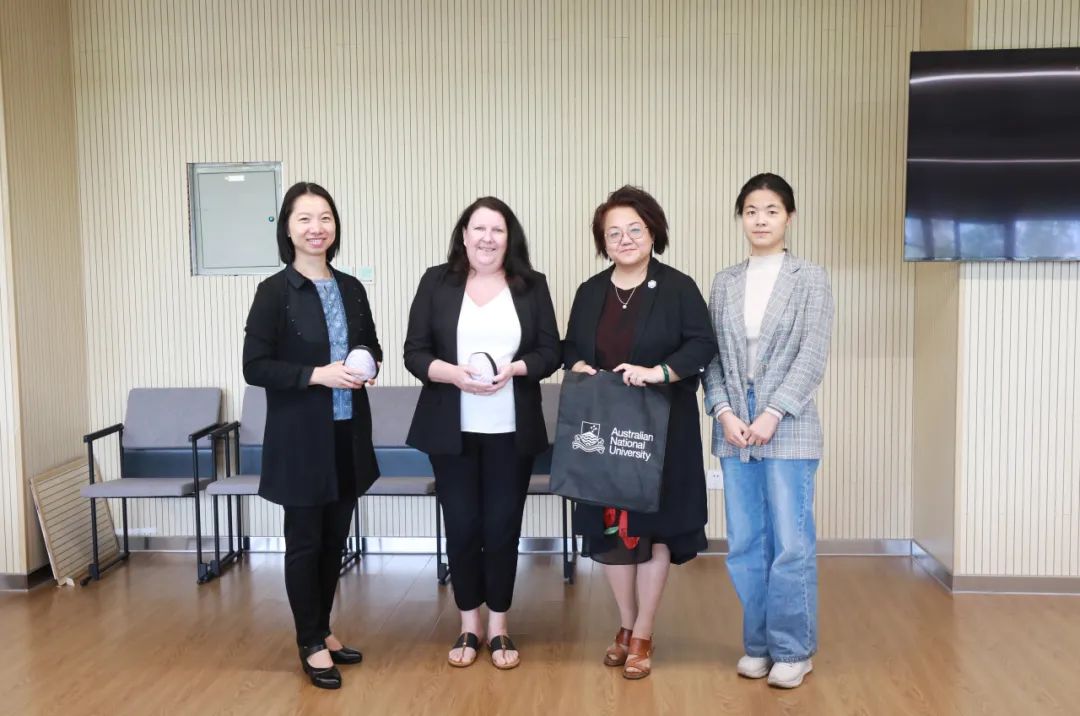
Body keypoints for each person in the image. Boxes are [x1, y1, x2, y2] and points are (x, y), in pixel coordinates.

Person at [562, 185, 717, 679]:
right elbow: (571, 348)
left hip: (662, 429)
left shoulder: (677, 287)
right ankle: (626, 625)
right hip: (603, 431)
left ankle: (645, 631)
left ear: (653, 233)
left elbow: (701, 345)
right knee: (610, 527)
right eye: (614, 233)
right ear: (602, 241)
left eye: (635, 229)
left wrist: (659, 372)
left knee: (654, 529)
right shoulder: (590, 291)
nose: (624, 239)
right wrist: (578, 364)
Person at [403, 196, 561, 670]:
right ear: (464, 235)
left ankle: (499, 626)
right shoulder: (437, 281)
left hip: (511, 431)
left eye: (497, 230)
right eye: (479, 229)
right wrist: (452, 374)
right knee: (462, 526)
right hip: (450, 431)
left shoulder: (532, 285)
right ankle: (469, 623)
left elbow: (550, 351)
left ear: (509, 238)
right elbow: (414, 352)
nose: (487, 238)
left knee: (502, 527)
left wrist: (515, 369)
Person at [243, 182, 381, 690]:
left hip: (347, 434)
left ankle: (323, 630)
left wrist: (368, 364)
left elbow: (371, 344)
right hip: (301, 439)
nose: (316, 228)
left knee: (334, 540)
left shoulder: (351, 288)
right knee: (305, 543)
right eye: (304, 218)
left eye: (325, 217)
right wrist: (317, 375)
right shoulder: (274, 292)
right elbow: (255, 366)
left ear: (335, 226)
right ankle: (308, 641)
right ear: (287, 228)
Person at [703, 172, 834, 689]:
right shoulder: (724, 282)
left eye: (772, 210)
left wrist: (773, 412)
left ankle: (793, 649)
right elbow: (712, 357)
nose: (761, 220)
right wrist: (723, 411)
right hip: (735, 424)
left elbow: (813, 354)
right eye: (752, 211)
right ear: (741, 217)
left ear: (789, 218)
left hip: (788, 423)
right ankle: (758, 644)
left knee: (790, 542)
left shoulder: (811, 278)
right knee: (745, 542)